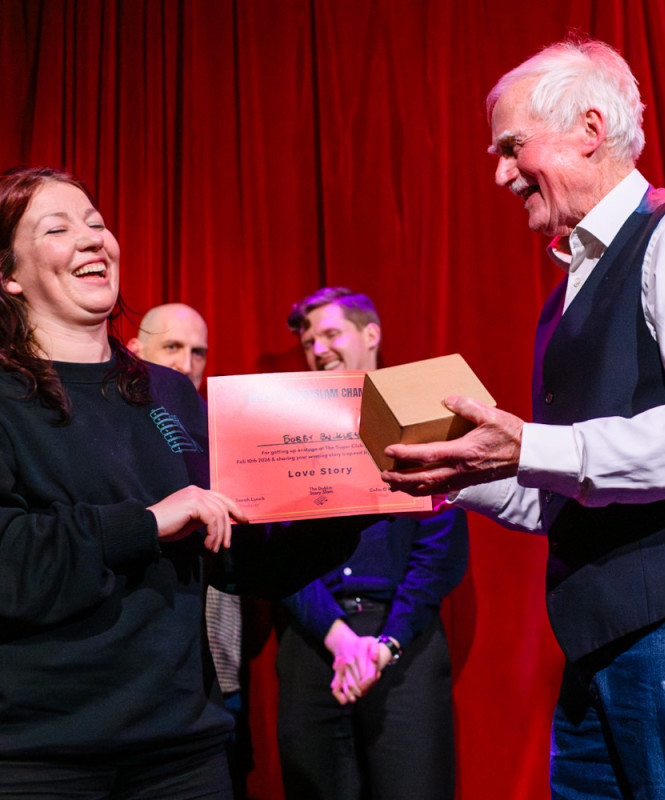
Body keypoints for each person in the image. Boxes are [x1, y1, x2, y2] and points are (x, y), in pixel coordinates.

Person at [381, 38, 665, 800]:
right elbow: (568, 488)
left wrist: (532, 446)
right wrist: (455, 472)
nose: (499, 173)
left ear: (590, 129)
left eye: (511, 147)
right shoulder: (569, 290)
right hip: (601, 642)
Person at [0, 166, 357, 799]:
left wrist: (359, 498)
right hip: (39, 755)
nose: (92, 239)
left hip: (183, 752)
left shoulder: (166, 391)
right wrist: (144, 524)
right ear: (9, 274)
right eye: (57, 229)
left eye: (96, 223)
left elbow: (239, 560)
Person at [275, 287, 469, 800]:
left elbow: (439, 549)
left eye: (331, 334)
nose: (319, 349)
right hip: (314, 638)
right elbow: (276, 549)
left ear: (371, 335)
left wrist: (386, 644)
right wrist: (338, 637)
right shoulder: (285, 432)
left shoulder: (422, 420)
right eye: (309, 342)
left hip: (403, 638)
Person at [127, 303, 248, 798]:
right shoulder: (118, 432)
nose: (186, 363)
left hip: (213, 668)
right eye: (172, 347)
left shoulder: (220, 432)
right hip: (136, 670)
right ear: (134, 351)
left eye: (198, 352)